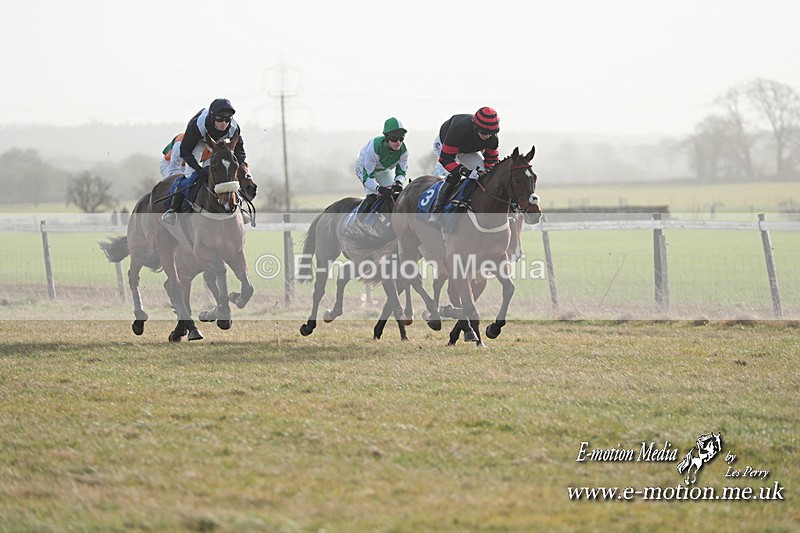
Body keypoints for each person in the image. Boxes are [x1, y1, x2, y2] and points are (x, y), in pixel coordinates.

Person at [162, 98, 249, 224]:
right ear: (212, 117)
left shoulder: (234, 128)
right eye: (220, 119)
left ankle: (239, 207)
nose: (224, 123)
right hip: (197, 142)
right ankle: (173, 208)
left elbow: (240, 153)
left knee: (226, 176)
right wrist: (198, 169)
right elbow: (185, 151)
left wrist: (234, 167)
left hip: (216, 145)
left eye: (227, 120)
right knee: (190, 175)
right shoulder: (197, 125)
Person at [427, 106, 500, 224]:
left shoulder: (492, 139)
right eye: (484, 132)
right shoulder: (458, 129)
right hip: (445, 145)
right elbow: (446, 159)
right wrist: (465, 171)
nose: (487, 136)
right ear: (475, 126)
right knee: (451, 176)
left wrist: (487, 172)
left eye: (491, 133)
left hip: (468, 150)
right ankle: (436, 211)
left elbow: (491, 160)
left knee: (484, 174)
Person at [354, 117, 409, 214]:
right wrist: (379, 188)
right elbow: (368, 178)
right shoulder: (374, 148)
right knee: (373, 195)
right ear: (387, 137)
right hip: (364, 169)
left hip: (383, 170)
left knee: (395, 195)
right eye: (394, 138)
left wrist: (399, 182)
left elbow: (401, 172)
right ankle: (356, 223)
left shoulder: (404, 151)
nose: (398, 142)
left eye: (401, 138)